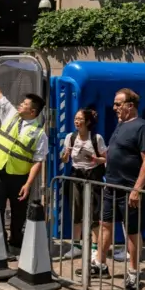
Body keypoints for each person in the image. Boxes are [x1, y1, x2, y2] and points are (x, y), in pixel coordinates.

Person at [0, 63, 48, 256]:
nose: (20, 105)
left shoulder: (39, 134)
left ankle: (16, 244)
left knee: (18, 214)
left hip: (19, 178)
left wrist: (28, 184)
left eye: (24, 104)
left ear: (33, 112)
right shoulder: (9, 113)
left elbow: (38, 161)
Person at [87, 88, 145, 290]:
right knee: (105, 224)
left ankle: (133, 273)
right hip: (111, 186)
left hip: (128, 190)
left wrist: (136, 190)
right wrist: (101, 160)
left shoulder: (142, 127)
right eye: (114, 104)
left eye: (118, 104)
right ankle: (100, 264)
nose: (114, 107)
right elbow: (118, 154)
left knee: (132, 232)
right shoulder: (120, 124)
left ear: (130, 105)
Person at [60, 108, 107, 260]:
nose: (76, 121)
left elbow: (106, 159)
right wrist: (66, 154)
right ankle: (76, 246)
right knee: (76, 211)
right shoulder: (70, 137)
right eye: (75, 118)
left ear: (87, 122)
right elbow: (65, 160)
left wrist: (95, 159)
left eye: (80, 119)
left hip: (93, 176)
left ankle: (94, 247)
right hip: (76, 175)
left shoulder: (96, 138)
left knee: (94, 212)